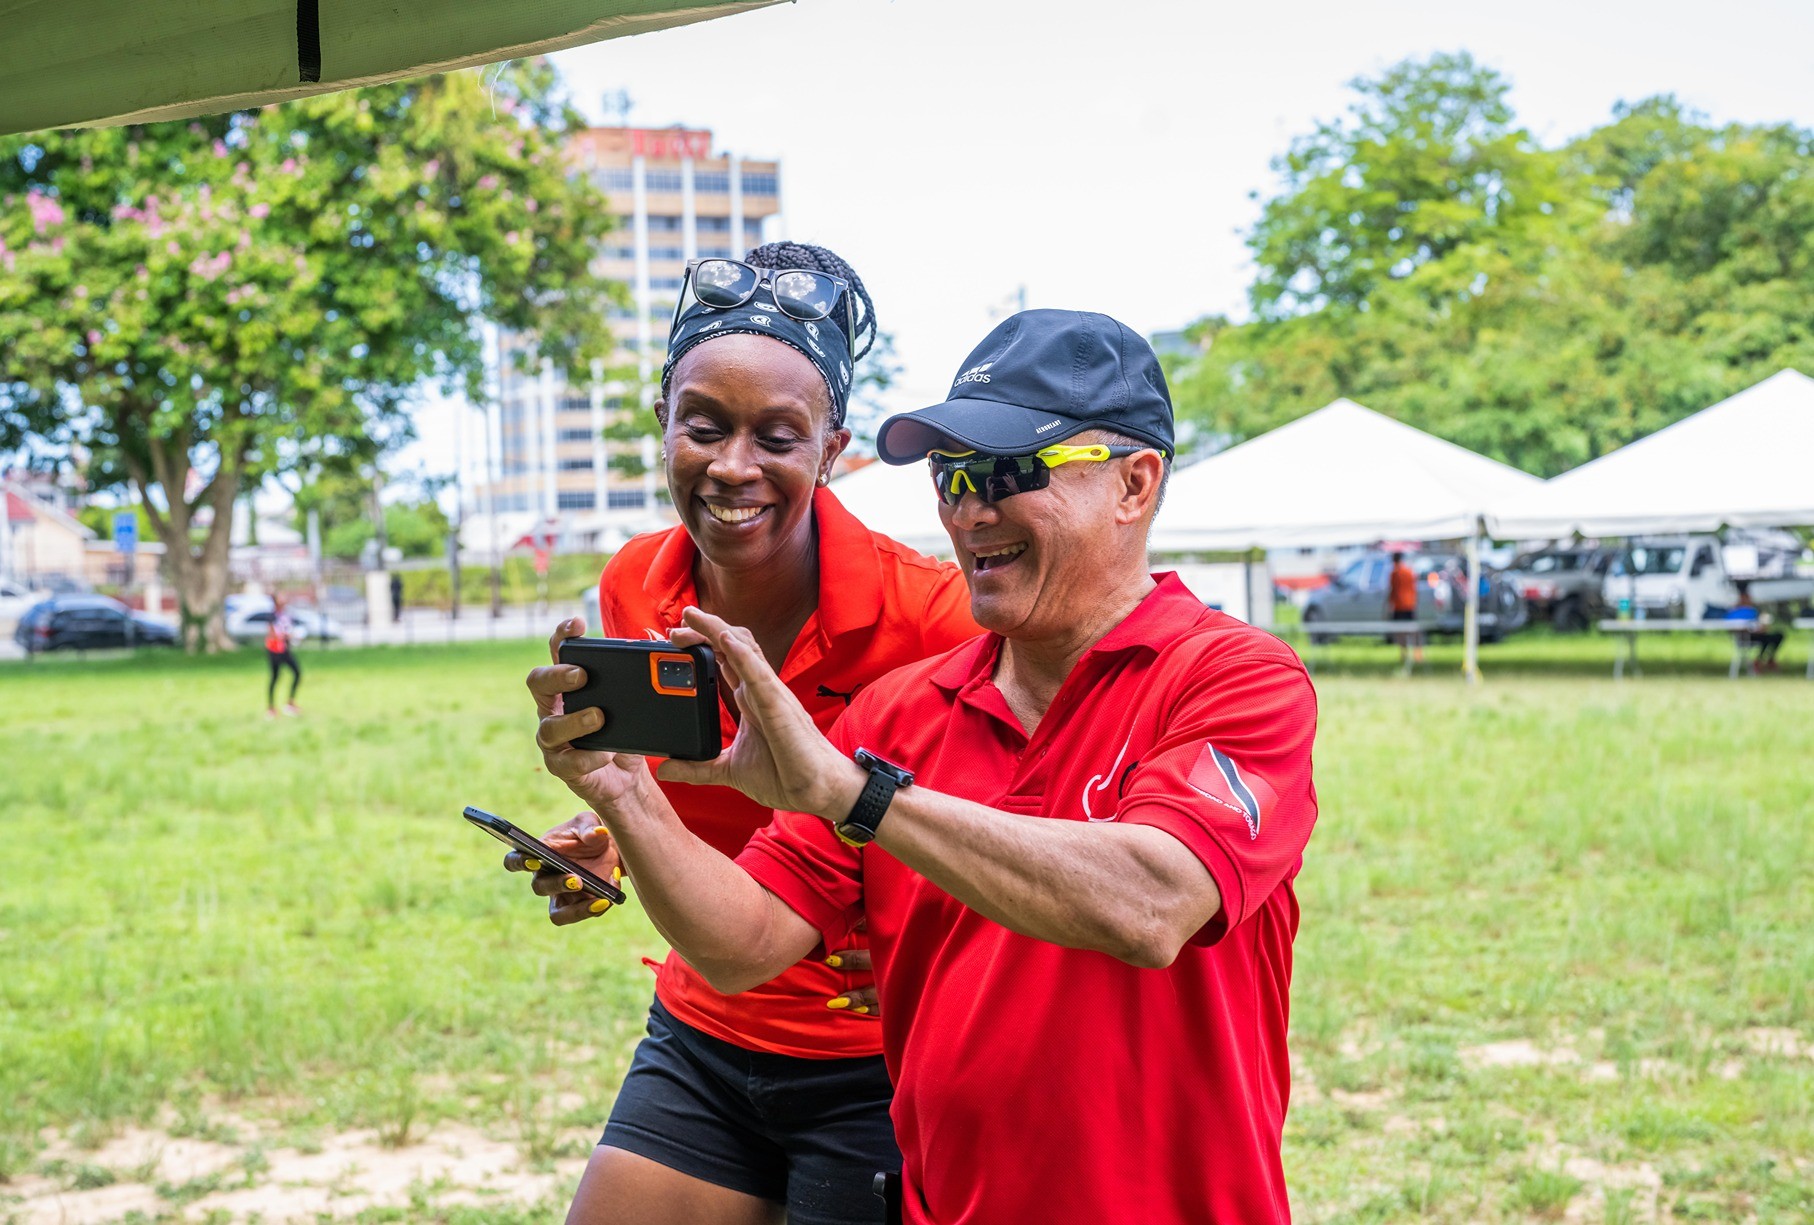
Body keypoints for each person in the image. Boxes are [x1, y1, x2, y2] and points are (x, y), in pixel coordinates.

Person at [529, 310, 1320, 1224]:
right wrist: (628, 797)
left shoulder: (1235, 676)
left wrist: (856, 794)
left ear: (1134, 484)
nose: (971, 509)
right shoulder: (898, 712)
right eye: (954, 474)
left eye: (1012, 472)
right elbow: (741, 945)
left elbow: (1154, 902)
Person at [511, 242, 978, 1225]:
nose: (732, 465)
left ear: (832, 448)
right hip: (703, 1030)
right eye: (703, 426)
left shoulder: (932, 618)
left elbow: (1010, 830)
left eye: (776, 435)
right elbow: (678, 797)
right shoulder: (635, 583)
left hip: (875, 1063)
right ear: (663, 424)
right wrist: (614, 840)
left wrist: (931, 925)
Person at [1729, 580, 1783, 672]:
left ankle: (1766, 658)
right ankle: (1760, 660)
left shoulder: (1752, 611)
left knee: (1778, 635)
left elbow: (1758, 623)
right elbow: (1732, 628)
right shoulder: (1734, 612)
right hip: (1745, 636)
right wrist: (1749, 629)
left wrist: (1762, 627)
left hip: (1756, 633)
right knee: (1766, 639)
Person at [264, 595, 300, 716]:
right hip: (275, 651)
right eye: (281, 598)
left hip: (285, 650)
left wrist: (292, 636)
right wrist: (285, 636)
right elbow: (272, 633)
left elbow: (289, 629)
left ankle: (290, 703)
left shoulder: (286, 615)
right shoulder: (272, 616)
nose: (284, 600)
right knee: (275, 678)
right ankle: (271, 708)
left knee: (297, 673)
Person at [1385, 549, 1423, 664]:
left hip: (1399, 606)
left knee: (1400, 632)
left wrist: (1388, 605)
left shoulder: (1395, 572)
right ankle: (1417, 655)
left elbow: (1393, 590)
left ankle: (1404, 654)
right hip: (1410, 605)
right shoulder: (1409, 571)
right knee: (1413, 631)